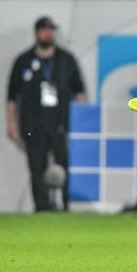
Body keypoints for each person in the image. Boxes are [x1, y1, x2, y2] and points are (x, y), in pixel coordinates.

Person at [7, 16, 86, 212]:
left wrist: (81, 123)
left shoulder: (66, 59)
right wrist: (11, 123)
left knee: (64, 167)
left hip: (61, 124)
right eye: (44, 30)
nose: (48, 33)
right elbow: (11, 96)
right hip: (33, 125)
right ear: (37, 33)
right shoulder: (23, 61)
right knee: (37, 170)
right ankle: (41, 209)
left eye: (50, 30)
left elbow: (80, 93)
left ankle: (65, 206)